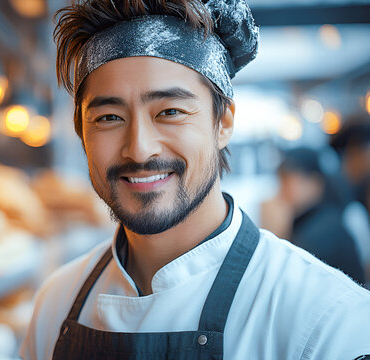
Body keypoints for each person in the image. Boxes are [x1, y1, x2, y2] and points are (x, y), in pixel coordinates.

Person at [20, 0, 370, 359]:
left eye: (170, 112)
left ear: (224, 123)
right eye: (109, 117)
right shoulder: (55, 303)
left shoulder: (328, 323)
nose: (139, 150)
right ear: (81, 131)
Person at [266, 147, 366, 285]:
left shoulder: (321, 232)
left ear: (314, 182)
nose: (281, 190)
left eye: (287, 181)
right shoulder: (320, 220)